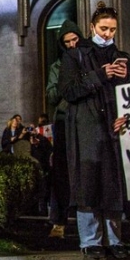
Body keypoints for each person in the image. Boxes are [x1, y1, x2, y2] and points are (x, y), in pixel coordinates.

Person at [58, 2, 130, 260]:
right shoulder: (75, 55)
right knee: (88, 181)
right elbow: (68, 91)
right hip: (86, 126)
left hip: (113, 125)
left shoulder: (121, 55)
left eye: (112, 29)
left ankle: (114, 238)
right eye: (103, 29)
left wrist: (125, 77)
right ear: (92, 27)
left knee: (113, 182)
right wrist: (98, 76)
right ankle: (90, 240)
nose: (107, 34)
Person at [45, 21, 82, 238]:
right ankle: (58, 221)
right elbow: (51, 96)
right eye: (67, 42)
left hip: (85, 120)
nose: (71, 45)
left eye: (74, 40)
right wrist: (64, 80)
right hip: (63, 120)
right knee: (60, 172)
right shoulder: (56, 67)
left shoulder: (88, 61)